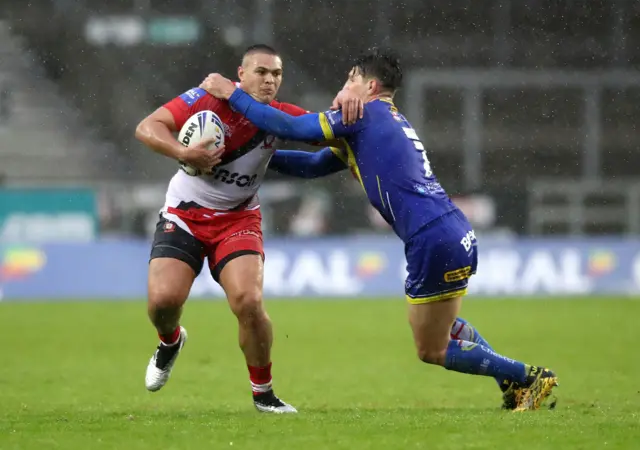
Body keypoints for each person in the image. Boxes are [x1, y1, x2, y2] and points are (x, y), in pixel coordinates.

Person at [195, 48, 559, 411]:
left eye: (350, 79)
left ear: (368, 85)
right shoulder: (384, 118)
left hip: (432, 237)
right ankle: (512, 384)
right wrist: (250, 161)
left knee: (431, 349)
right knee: (444, 327)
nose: (344, 87)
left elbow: (291, 128)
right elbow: (313, 166)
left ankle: (529, 376)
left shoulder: (363, 115)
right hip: (452, 230)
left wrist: (232, 94)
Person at [134, 44, 308, 414]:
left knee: (249, 301)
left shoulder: (276, 117)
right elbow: (147, 127)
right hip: (184, 215)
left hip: (238, 220)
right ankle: (170, 341)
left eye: (276, 74)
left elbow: (325, 130)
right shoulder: (204, 98)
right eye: (261, 72)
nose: (269, 80)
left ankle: (264, 395)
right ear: (240, 74)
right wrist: (184, 154)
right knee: (162, 303)